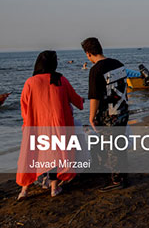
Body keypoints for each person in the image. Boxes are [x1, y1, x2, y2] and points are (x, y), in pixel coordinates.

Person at [16, 51, 84, 200]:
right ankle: (54, 188)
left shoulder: (30, 82)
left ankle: (24, 190)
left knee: (31, 155)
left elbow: (24, 107)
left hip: (36, 126)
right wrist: (82, 101)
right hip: (57, 125)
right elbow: (76, 100)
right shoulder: (60, 80)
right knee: (56, 156)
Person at [81, 37, 130, 192]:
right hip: (123, 110)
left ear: (88, 54)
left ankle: (117, 181)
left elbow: (94, 97)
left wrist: (91, 117)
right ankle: (123, 174)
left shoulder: (96, 70)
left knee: (112, 147)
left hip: (109, 114)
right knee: (120, 144)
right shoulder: (118, 64)